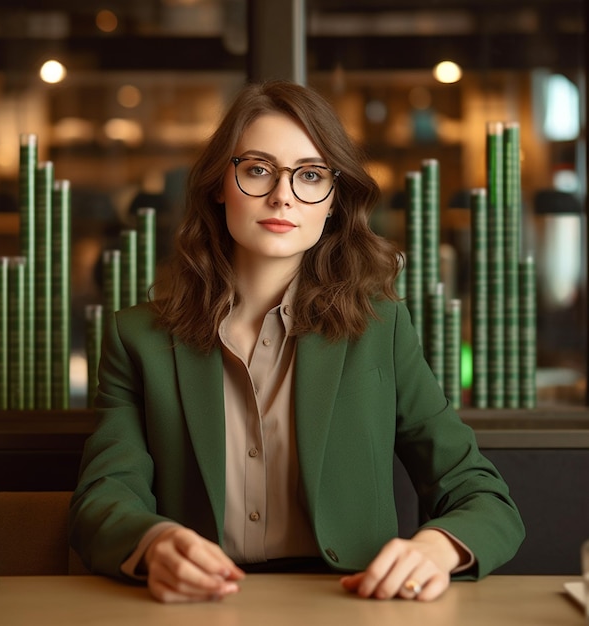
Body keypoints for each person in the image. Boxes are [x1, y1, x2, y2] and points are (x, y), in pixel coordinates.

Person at [69, 79, 525, 604]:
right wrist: (153, 544)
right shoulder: (137, 338)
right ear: (220, 183)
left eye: (310, 175)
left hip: (352, 604)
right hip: (201, 606)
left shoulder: (381, 329)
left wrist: (437, 548)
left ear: (333, 200)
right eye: (258, 169)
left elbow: (483, 497)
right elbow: (102, 498)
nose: (283, 195)